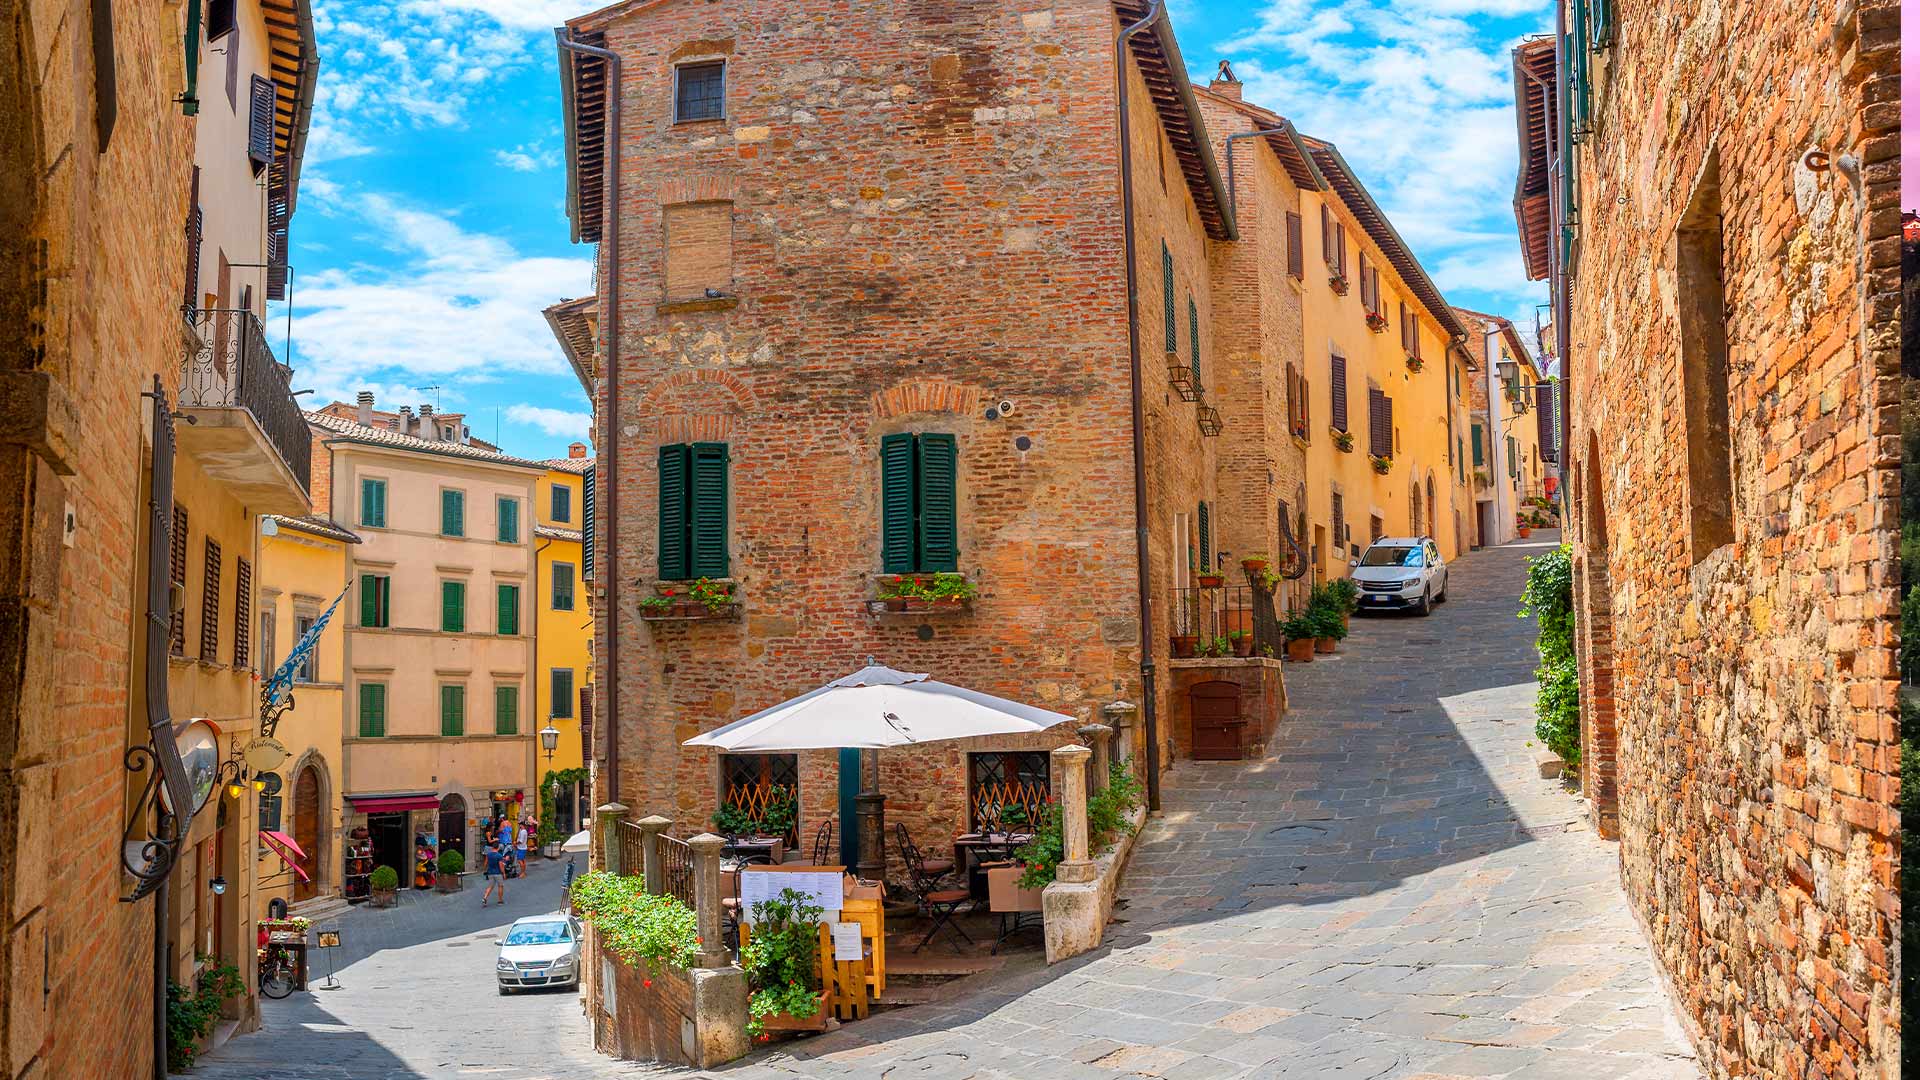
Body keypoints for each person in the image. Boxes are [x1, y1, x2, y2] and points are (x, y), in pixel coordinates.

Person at [481, 836, 507, 906]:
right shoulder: (499, 856)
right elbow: (501, 865)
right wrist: (504, 873)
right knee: (500, 886)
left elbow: (485, 863)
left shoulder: (488, 855)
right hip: (498, 873)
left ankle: (485, 897)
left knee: (490, 886)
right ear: (498, 848)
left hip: (490, 872)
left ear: (492, 847)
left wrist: (485, 869)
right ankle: (500, 900)